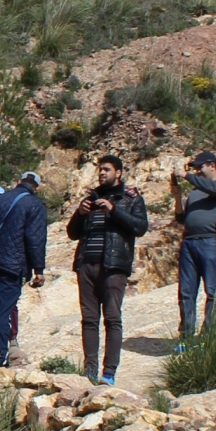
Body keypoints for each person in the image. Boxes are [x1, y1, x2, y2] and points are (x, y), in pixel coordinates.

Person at [66, 154, 149, 386]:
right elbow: (72, 233)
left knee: (112, 318)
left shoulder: (131, 198)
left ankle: (109, 373)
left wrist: (113, 210)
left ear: (118, 173)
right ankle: (90, 371)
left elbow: (140, 227)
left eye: (107, 170)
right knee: (89, 319)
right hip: (87, 265)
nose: (102, 173)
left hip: (114, 266)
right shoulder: (91, 197)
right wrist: (79, 214)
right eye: (100, 170)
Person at [0, 171, 50, 370]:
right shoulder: (35, 205)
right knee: (3, 311)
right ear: (37, 188)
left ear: (19, 182)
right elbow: (35, 239)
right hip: (13, 265)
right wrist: (38, 269)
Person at [173, 152, 216, 341]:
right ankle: (186, 335)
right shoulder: (196, 191)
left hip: (211, 242)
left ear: (212, 165)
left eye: (200, 167)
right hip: (189, 242)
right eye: (195, 169)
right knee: (186, 291)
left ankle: (210, 335)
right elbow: (181, 218)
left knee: (212, 290)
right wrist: (178, 198)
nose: (198, 172)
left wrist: (186, 175)